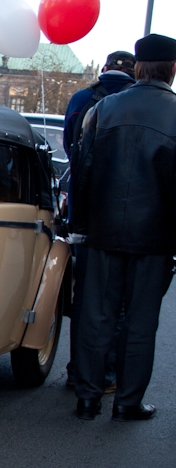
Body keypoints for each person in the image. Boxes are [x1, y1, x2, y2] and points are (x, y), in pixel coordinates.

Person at [70, 34, 176, 421]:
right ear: (173, 69)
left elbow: (81, 171)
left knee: (95, 316)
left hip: (102, 229)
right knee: (140, 322)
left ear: (139, 67)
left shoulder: (103, 109)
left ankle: (87, 397)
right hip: (156, 237)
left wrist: (78, 225)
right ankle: (128, 401)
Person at [63, 50, 136, 396]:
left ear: (104, 69)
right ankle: (106, 375)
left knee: (86, 300)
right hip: (128, 220)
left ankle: (78, 371)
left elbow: (71, 151)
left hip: (87, 217)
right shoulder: (135, 105)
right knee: (118, 303)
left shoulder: (83, 100)